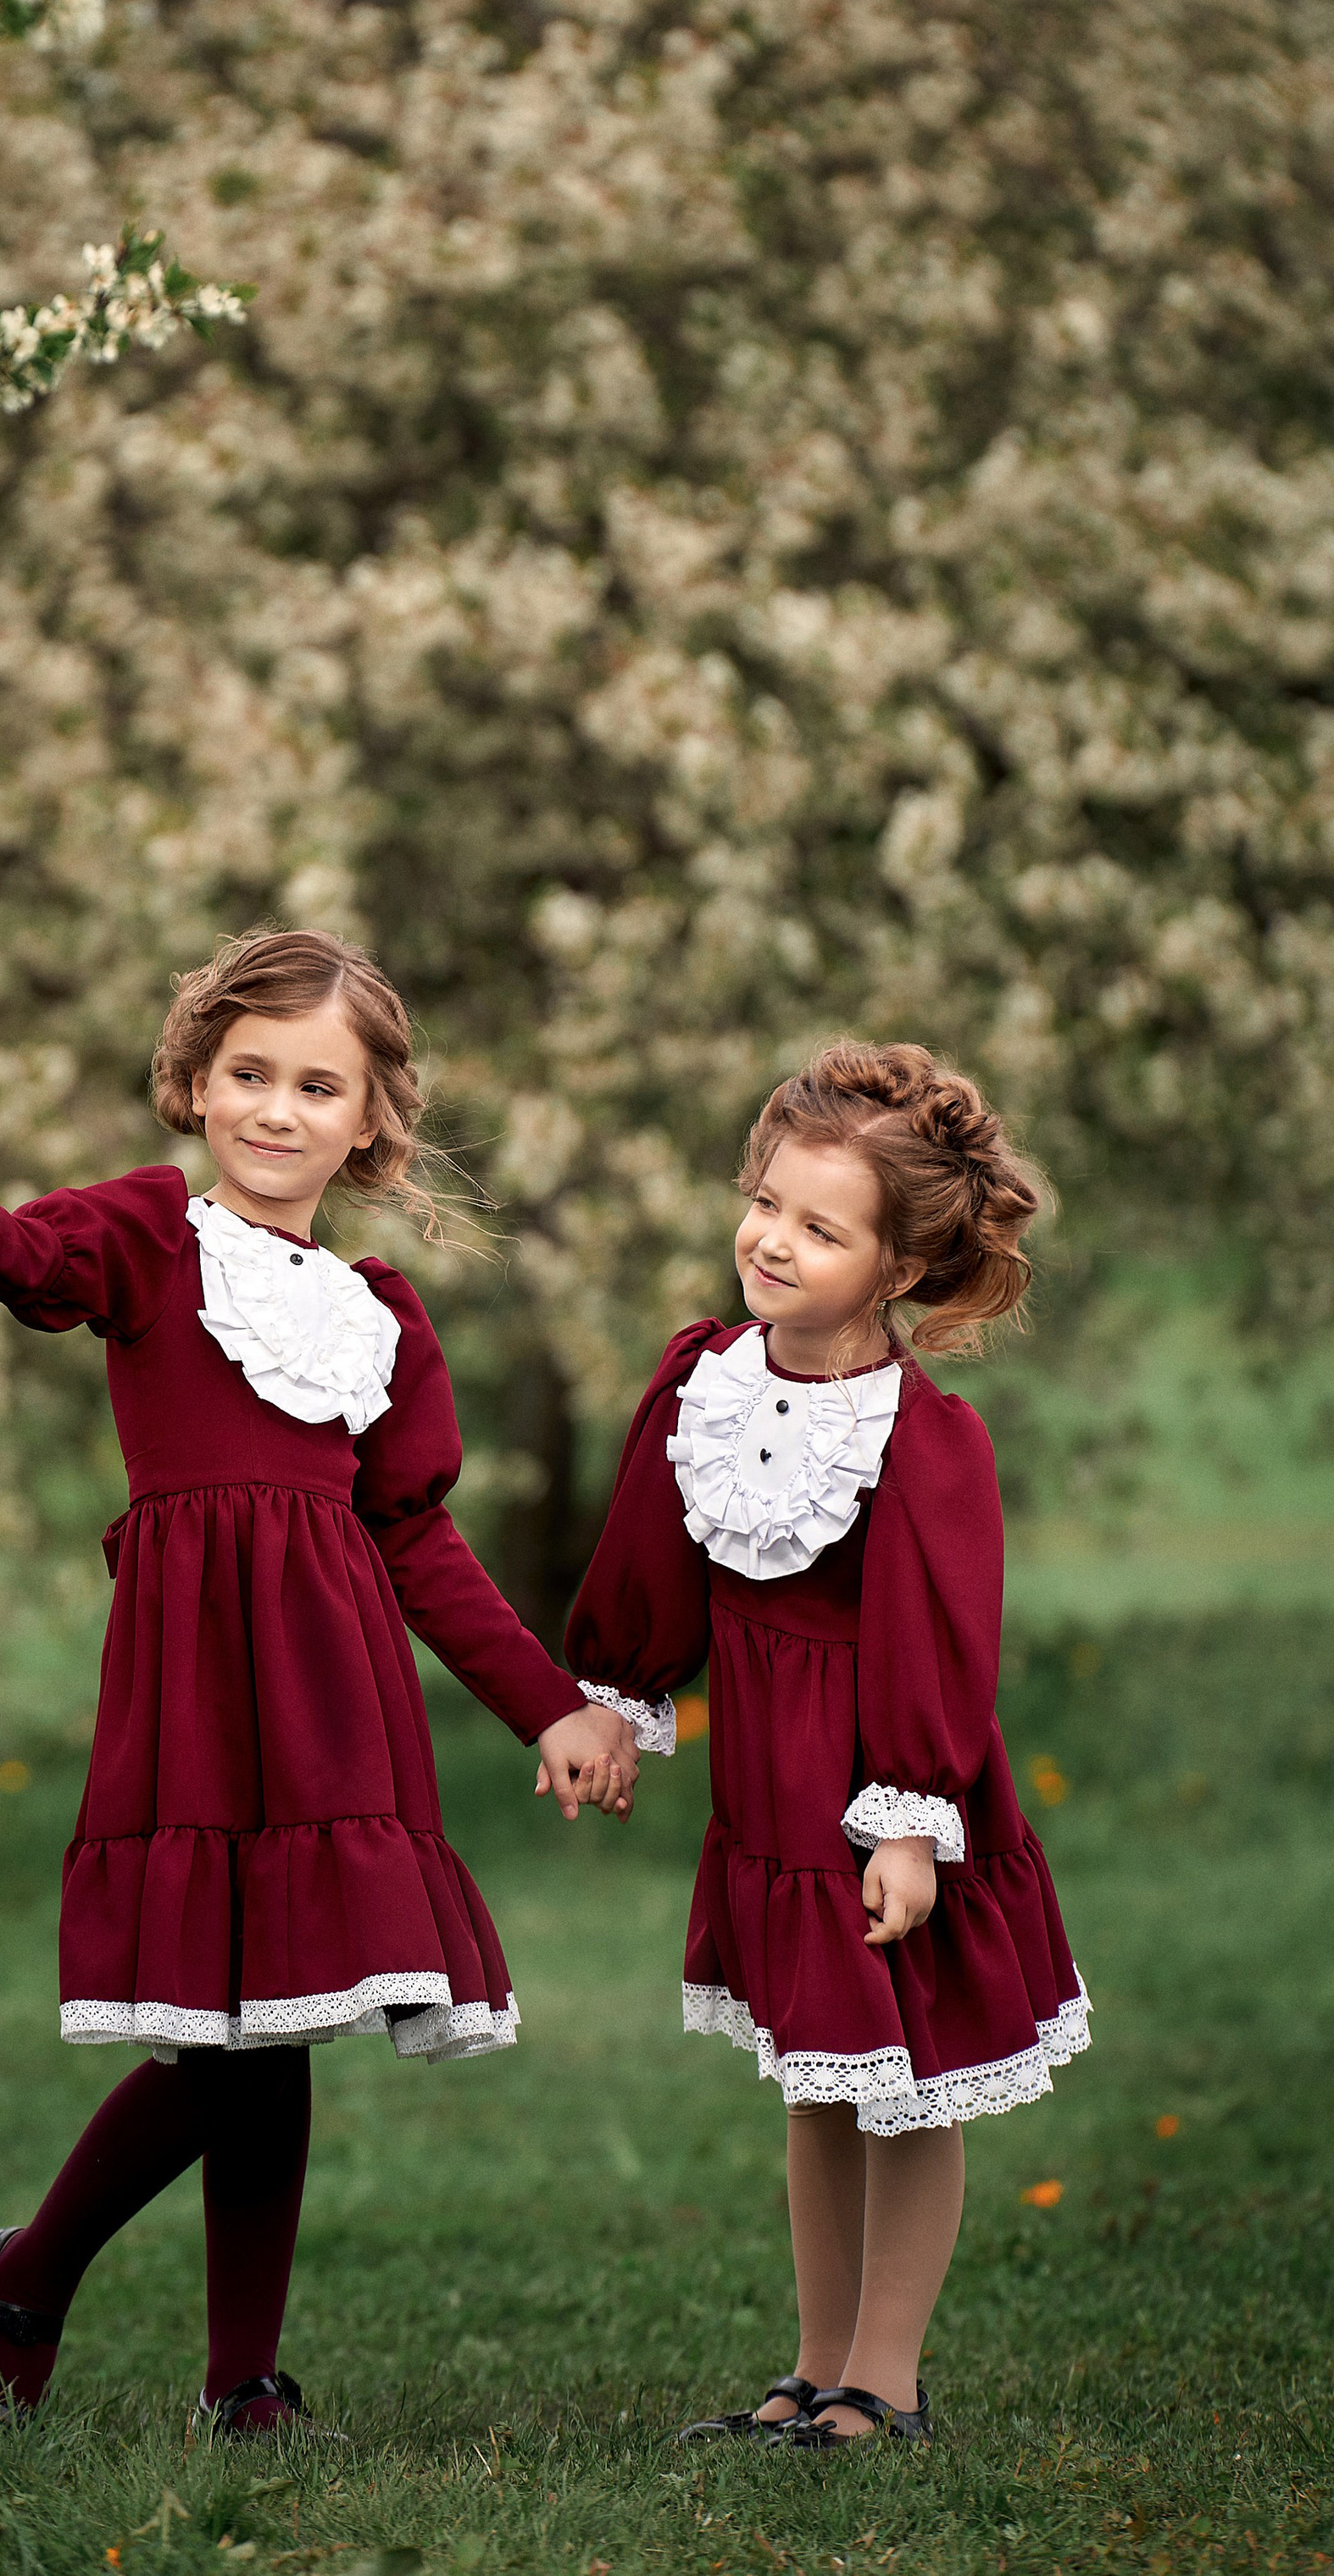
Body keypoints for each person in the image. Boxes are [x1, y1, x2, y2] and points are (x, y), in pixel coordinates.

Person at [0, 927, 637, 2434]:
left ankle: (229, 2377)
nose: (279, 1109)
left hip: (335, 1698)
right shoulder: (148, 1236)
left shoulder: (384, 1320)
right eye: (250, 1074)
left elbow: (417, 1544)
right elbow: (25, 1266)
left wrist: (550, 1701)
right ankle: (27, 2278)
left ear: (369, 1123)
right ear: (196, 1085)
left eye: (317, 1084)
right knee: (221, 2030)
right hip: (202, 1681)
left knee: (283, 2015)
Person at [565, 1040, 1087, 2453]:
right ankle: (813, 2362)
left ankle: (889, 2377)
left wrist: (909, 1820)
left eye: (820, 1225)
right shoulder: (704, 1377)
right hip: (772, 1797)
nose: (773, 1239)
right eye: (766, 1201)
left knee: (901, 2080)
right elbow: (656, 1558)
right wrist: (619, 1700)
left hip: (884, 1791)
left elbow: (939, 1638)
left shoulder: (921, 1438)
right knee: (818, 2068)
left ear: (898, 1266)